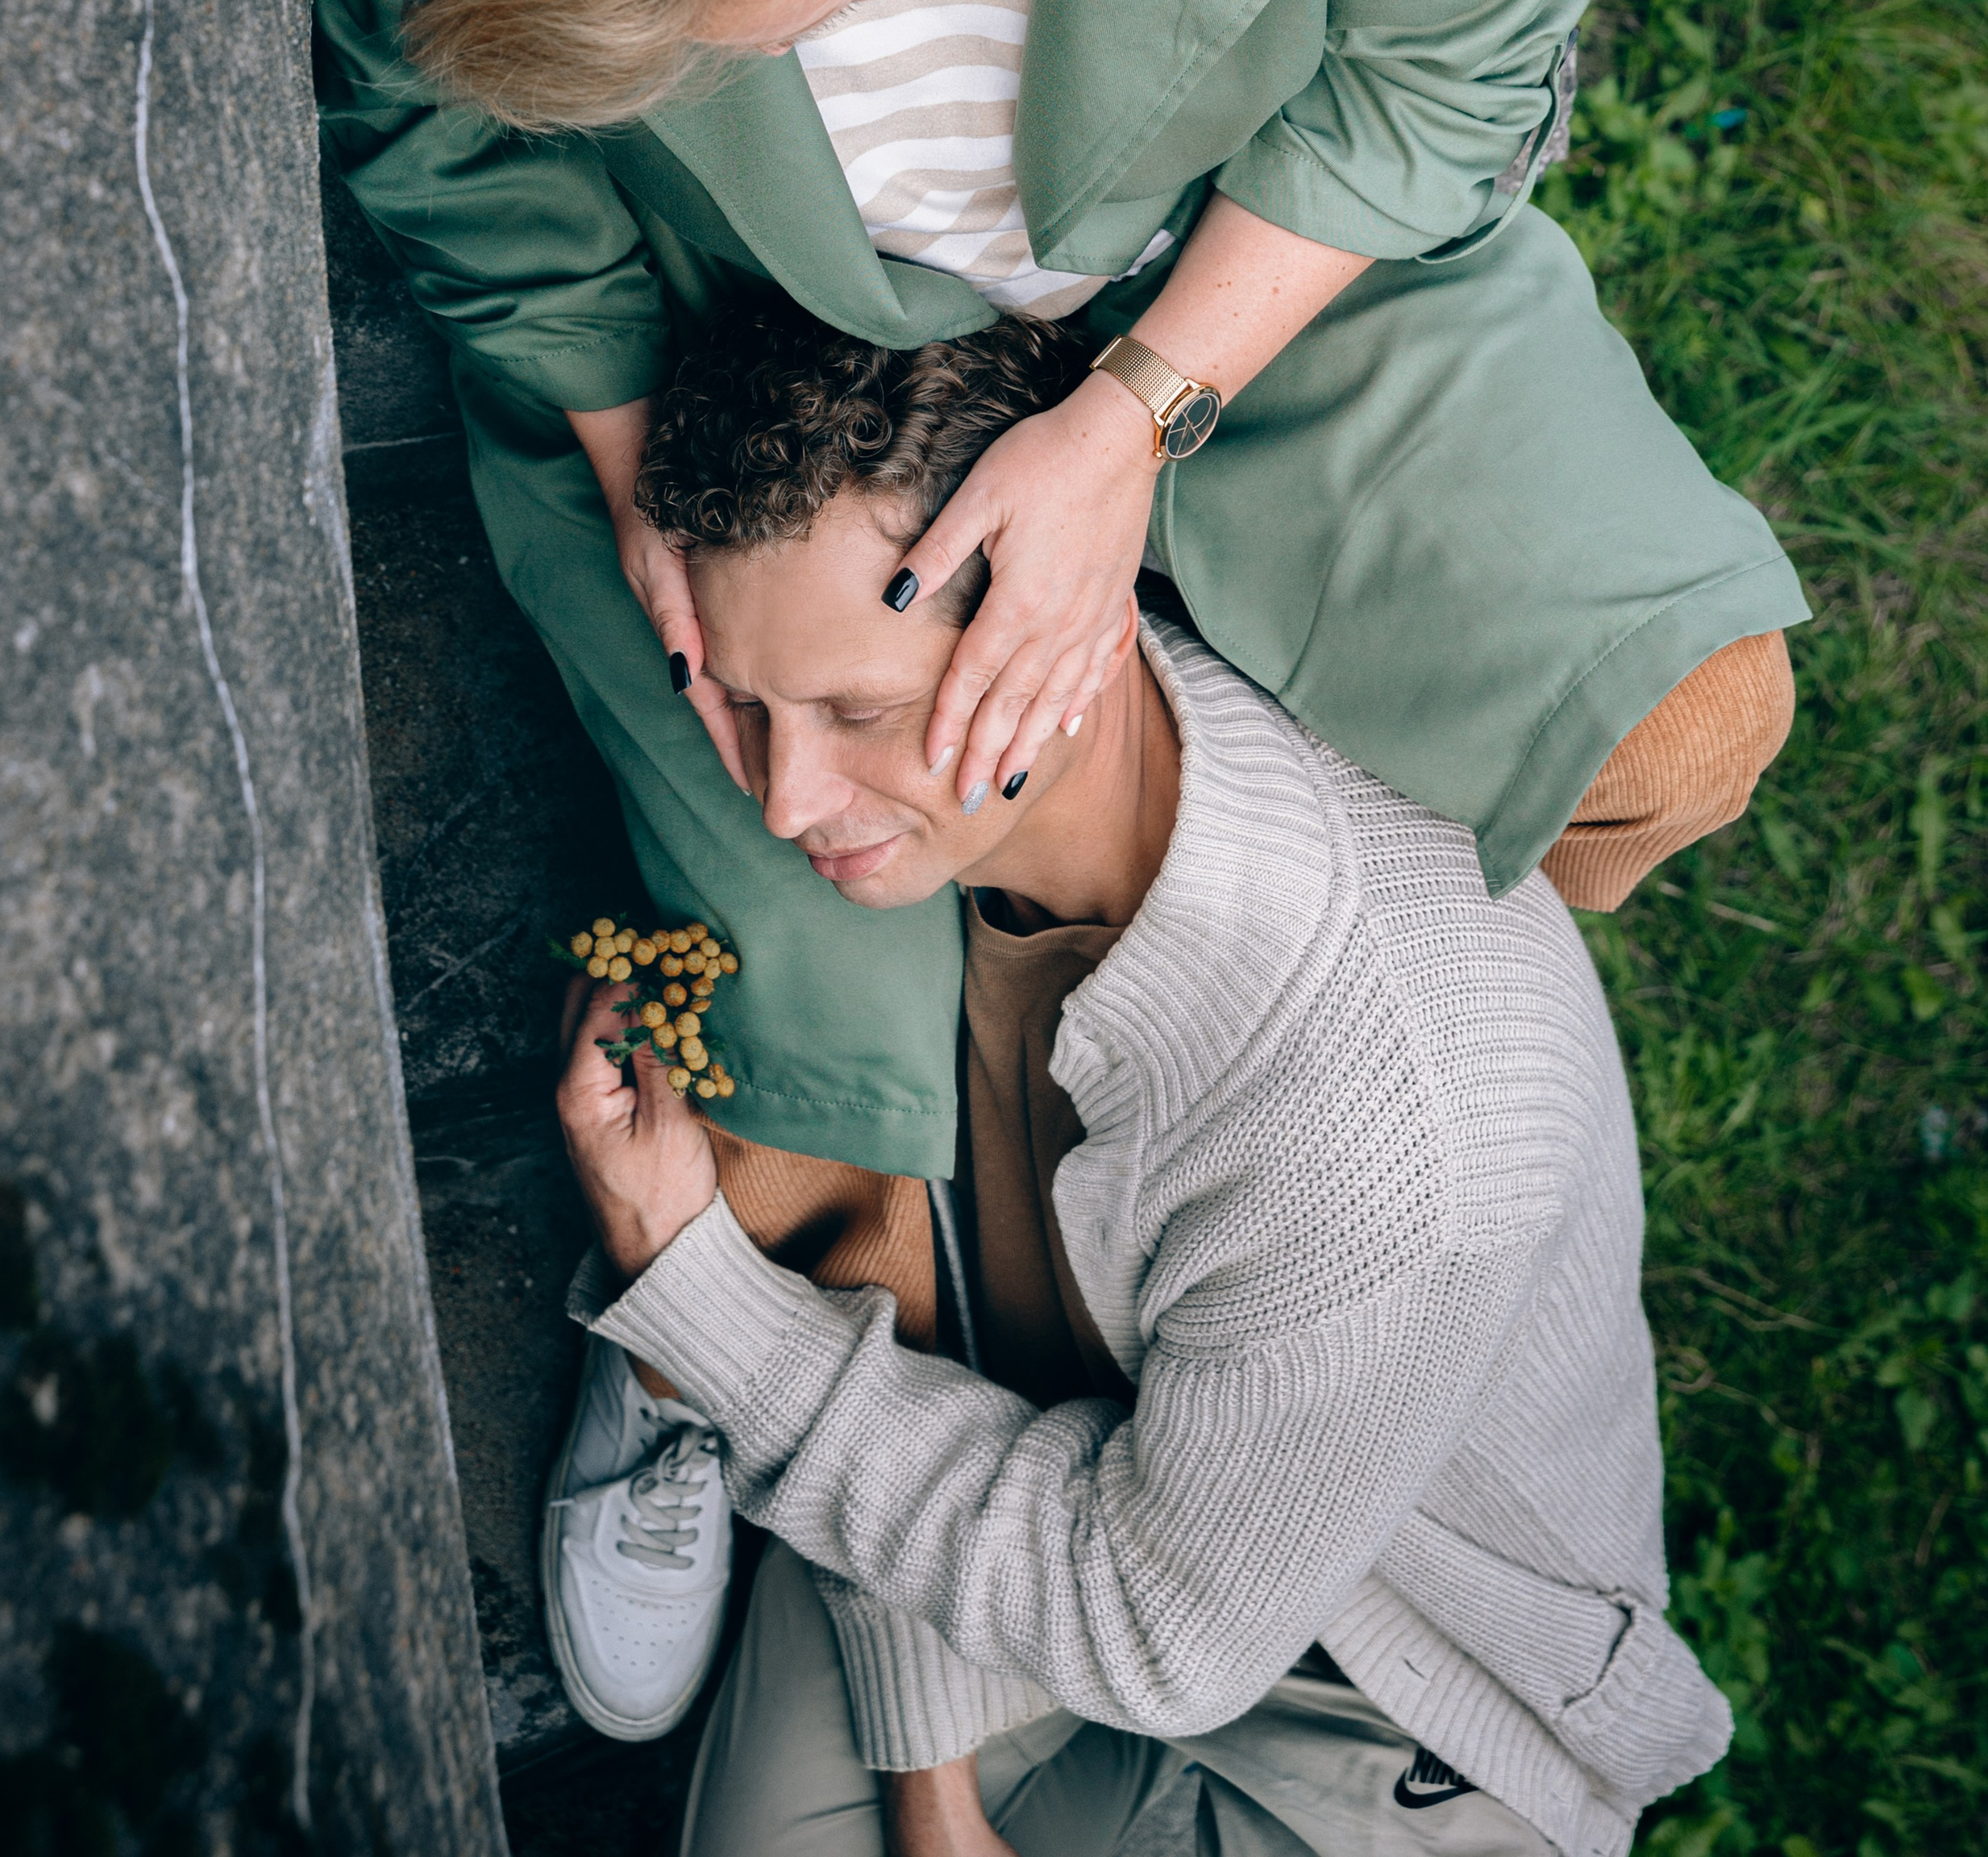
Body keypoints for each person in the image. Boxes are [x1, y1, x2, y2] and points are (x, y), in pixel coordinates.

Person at [310, 0, 1805, 1201]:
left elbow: (1451, 65)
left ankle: (1305, 921)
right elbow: (426, 118)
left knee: (1675, 718)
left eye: (772, 12)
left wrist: (1131, 418)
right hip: (730, 345)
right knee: (806, 1124)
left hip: (1243, 268)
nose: (727, 61)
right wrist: (626, 450)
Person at [548, 298, 1732, 1857]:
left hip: (1396, 1706)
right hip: (1060, 1490)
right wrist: (930, 1778)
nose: (787, 801)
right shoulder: (966, 813)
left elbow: (1160, 1635)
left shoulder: (1382, 1136)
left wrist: (685, 1282)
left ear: (1073, 620)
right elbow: (941, 1313)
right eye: (749, 708)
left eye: (860, 712)